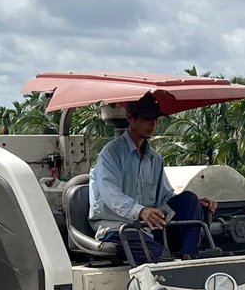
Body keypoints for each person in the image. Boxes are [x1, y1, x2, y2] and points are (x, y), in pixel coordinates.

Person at [89, 93, 217, 264]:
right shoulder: (111, 154)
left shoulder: (155, 159)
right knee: (159, 256)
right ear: (130, 118)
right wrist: (141, 211)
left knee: (190, 199)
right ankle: (171, 264)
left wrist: (197, 204)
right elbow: (110, 195)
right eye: (147, 119)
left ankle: (190, 257)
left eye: (155, 119)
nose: (153, 124)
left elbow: (164, 197)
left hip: (147, 228)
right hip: (117, 228)